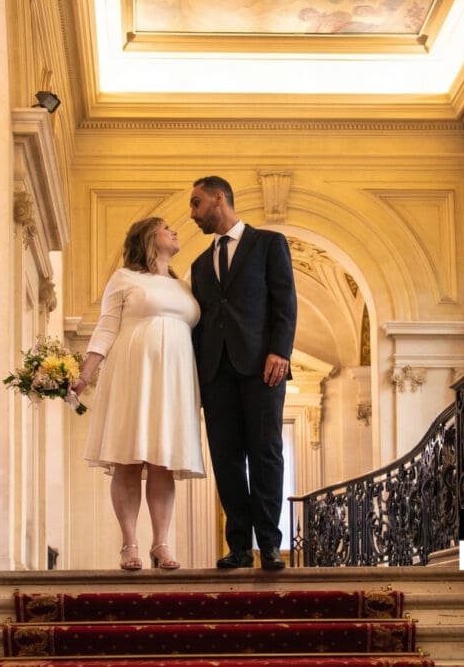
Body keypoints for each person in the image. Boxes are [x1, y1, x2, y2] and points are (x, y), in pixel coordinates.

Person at [71, 216, 205, 571]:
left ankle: (161, 544)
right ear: (147, 238)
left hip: (174, 380)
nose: (174, 231)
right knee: (128, 458)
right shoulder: (124, 278)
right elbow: (106, 328)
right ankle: (129, 544)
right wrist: (84, 375)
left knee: (163, 460)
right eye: (166, 228)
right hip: (133, 374)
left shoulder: (184, 286)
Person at [188, 176, 297, 570]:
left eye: (197, 203)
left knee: (266, 453)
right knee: (226, 458)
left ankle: (269, 544)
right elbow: (200, 322)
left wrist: (280, 351)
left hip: (263, 368)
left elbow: (285, 300)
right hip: (216, 372)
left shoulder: (269, 243)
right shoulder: (199, 265)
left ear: (219, 198)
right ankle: (238, 546)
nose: (193, 213)